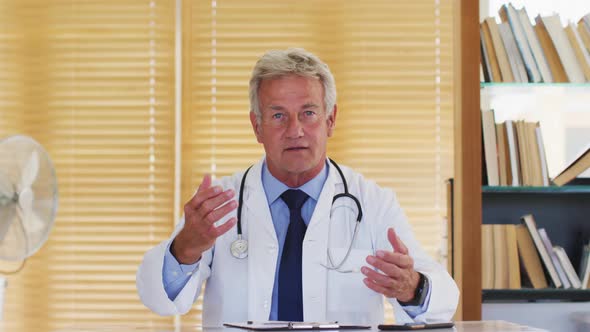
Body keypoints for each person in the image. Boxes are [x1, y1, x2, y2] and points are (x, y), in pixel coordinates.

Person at [136, 48, 459, 326]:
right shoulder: (218, 202)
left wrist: (411, 287)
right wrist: (186, 248)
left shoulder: (373, 202)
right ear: (256, 126)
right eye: (278, 115)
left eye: (308, 113)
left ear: (330, 120)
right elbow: (160, 301)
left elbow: (442, 300)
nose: (295, 130)